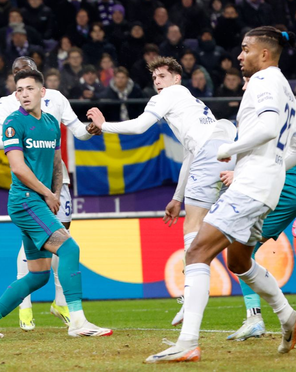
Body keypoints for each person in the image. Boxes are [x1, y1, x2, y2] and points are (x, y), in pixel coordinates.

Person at [146, 27, 296, 363]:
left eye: (245, 49)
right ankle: (289, 317)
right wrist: (269, 165)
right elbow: (293, 149)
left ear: (265, 54)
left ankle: (187, 343)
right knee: (239, 262)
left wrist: (230, 149)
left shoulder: (263, 80)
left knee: (197, 251)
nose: (240, 56)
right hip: (267, 187)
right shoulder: (287, 90)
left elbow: (268, 128)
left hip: (250, 186)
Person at [88, 55, 239, 326]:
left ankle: (192, 296)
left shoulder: (170, 95)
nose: (157, 82)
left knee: (192, 228)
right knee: (221, 229)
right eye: (155, 78)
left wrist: (104, 125)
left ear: (176, 78)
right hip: (227, 153)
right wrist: (177, 197)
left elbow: (139, 126)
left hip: (211, 154)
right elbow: (190, 155)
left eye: (163, 76)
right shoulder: (190, 103)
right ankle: (265, 310)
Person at [0, 68, 110, 339]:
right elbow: (18, 168)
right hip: (24, 201)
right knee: (69, 249)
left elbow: (57, 163)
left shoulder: (50, 123)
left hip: (40, 201)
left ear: (42, 92)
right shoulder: (13, 122)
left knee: (38, 275)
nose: (24, 94)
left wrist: (55, 193)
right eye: (19, 90)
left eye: (29, 88)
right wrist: (48, 194)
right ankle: (78, 322)